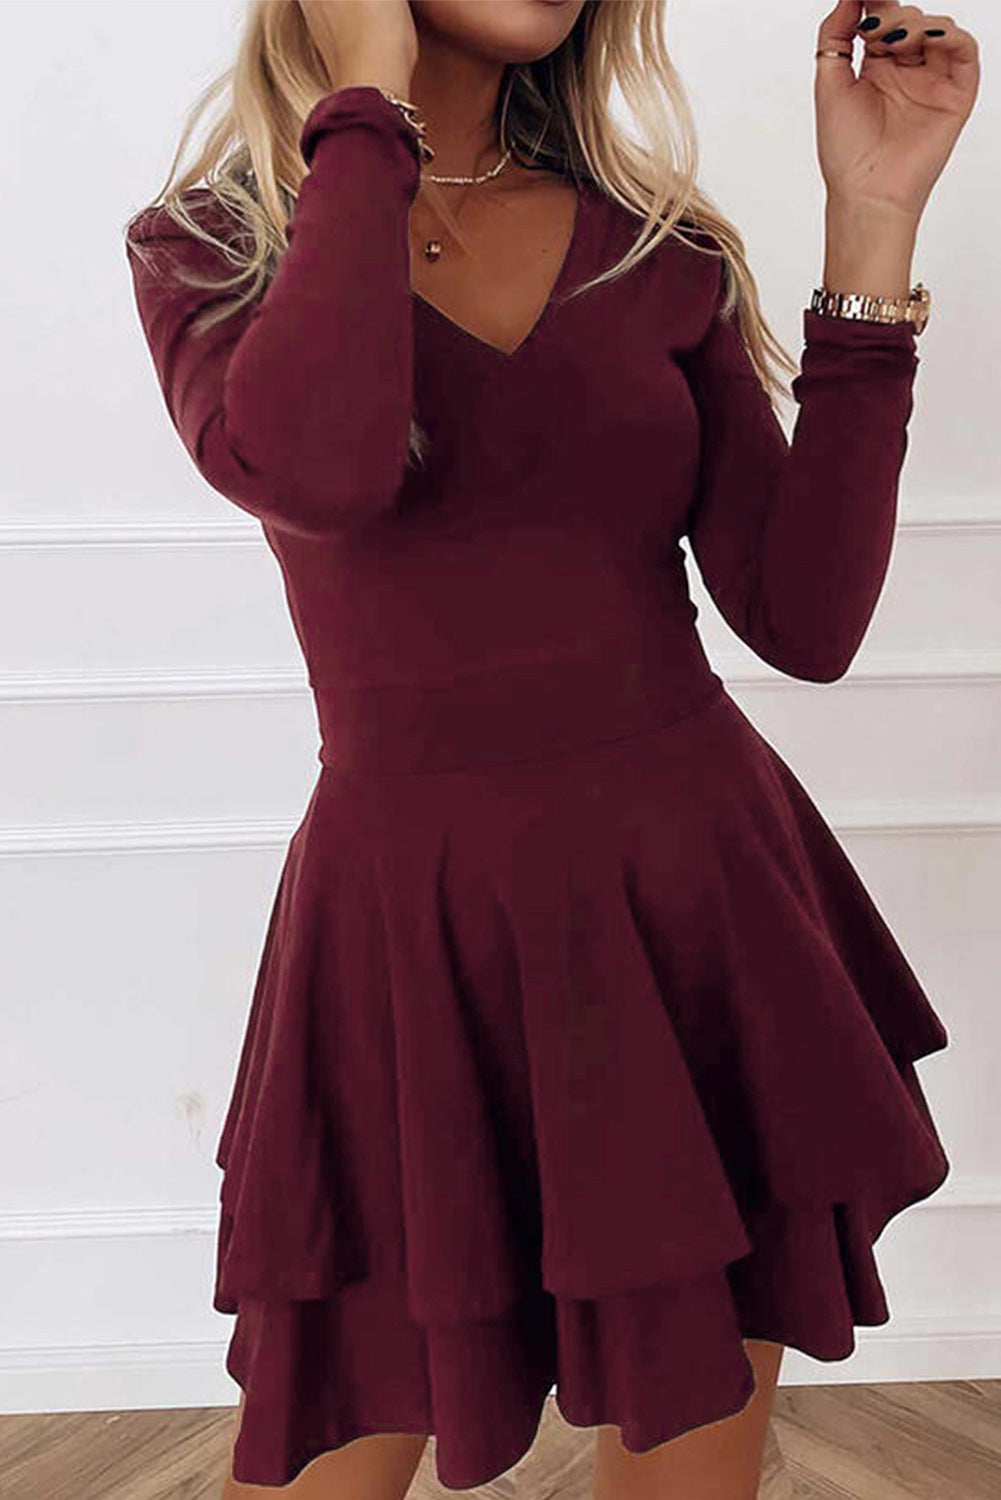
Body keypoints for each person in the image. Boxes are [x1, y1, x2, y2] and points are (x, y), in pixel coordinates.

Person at [123, 2, 980, 1497]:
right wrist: (365, 103)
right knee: (338, 1430)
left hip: (695, 912)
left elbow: (804, 620)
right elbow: (322, 471)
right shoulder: (216, 248)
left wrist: (873, 219)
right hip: (410, 938)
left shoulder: (655, 250)